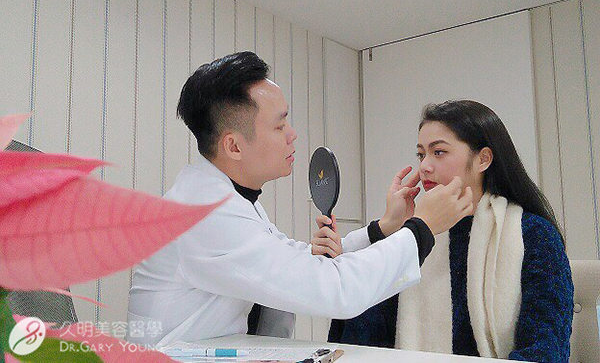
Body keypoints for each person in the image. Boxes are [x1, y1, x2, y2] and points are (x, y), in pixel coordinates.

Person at [126, 52, 473, 347]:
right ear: (233, 145)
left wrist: (382, 228)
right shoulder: (204, 216)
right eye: (280, 126)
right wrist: (422, 227)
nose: (292, 134)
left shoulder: (232, 201)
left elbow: (295, 261)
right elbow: (335, 289)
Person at [326, 100, 574, 362]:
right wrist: (386, 229)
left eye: (439, 152)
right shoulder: (412, 237)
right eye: (421, 154)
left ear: (483, 159)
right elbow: (358, 337)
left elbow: (546, 350)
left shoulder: (533, 235)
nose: (425, 166)